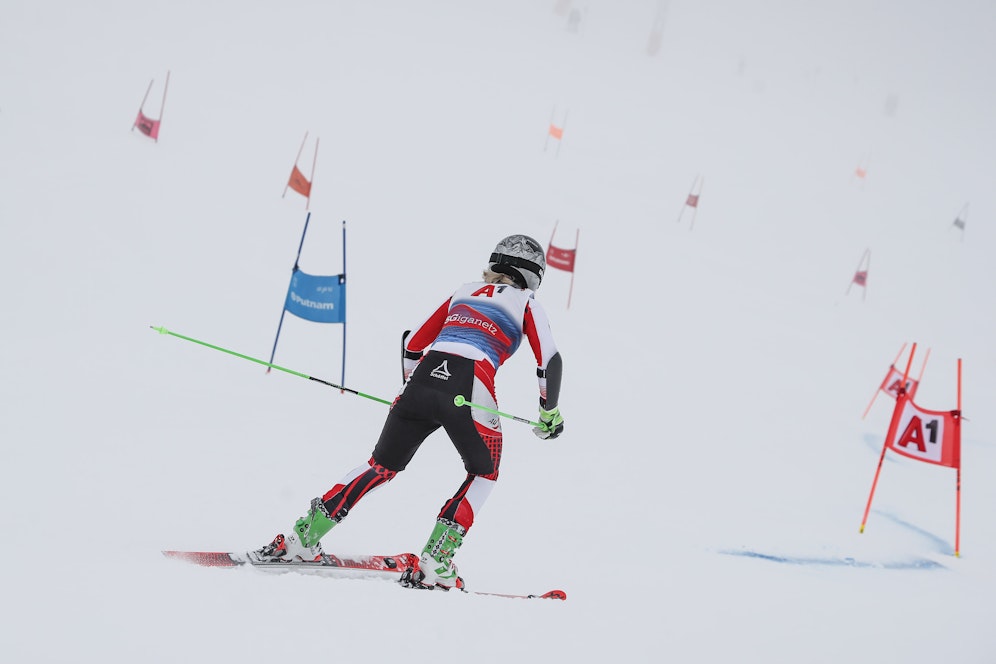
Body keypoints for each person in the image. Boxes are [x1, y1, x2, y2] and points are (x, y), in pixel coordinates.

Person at [253, 234, 565, 590]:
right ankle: (437, 560)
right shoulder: (526, 303)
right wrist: (549, 414)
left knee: (380, 466)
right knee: (484, 474)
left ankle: (302, 538)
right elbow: (549, 360)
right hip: (471, 384)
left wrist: (412, 389)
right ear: (534, 275)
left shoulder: (464, 292)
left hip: (421, 379)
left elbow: (413, 342)